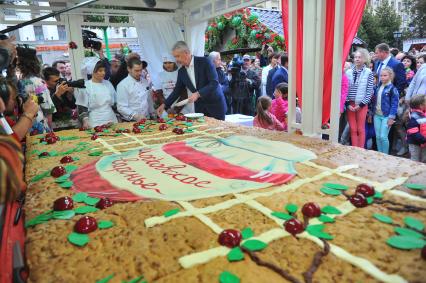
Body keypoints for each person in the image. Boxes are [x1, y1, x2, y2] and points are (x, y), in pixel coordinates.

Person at [157, 41, 227, 120]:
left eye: (177, 56)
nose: (176, 60)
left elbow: (214, 83)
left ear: (186, 53)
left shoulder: (205, 62)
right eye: (175, 57)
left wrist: (198, 94)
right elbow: (177, 91)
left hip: (215, 106)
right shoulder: (181, 72)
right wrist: (164, 105)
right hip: (199, 109)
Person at [17, 47, 56, 134]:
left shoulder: (18, 82)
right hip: (38, 124)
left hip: (21, 125)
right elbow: (48, 108)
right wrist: (50, 129)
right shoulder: (38, 82)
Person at [75, 60, 118, 128]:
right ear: (92, 72)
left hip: (111, 119)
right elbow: (81, 107)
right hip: (95, 122)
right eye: (100, 71)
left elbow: (115, 103)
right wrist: (85, 121)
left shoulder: (108, 84)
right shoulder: (85, 86)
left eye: (104, 70)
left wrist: (119, 116)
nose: (103, 73)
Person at [345, 48, 374, 148]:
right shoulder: (348, 72)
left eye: (360, 57)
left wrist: (361, 104)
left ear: (365, 59)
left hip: (362, 104)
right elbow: (345, 89)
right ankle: (354, 148)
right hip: (350, 104)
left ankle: (360, 149)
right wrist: (348, 104)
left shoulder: (368, 72)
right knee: (353, 128)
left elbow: (369, 91)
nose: (357, 59)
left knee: (360, 128)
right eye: (356, 57)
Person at [368, 67, 399, 154]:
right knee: (378, 136)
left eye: (385, 75)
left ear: (390, 76)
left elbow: (394, 105)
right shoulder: (377, 87)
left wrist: (391, 118)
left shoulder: (393, 89)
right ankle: (379, 154)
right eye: (381, 76)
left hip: (386, 116)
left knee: (383, 136)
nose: (382, 77)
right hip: (377, 115)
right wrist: (370, 114)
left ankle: (385, 155)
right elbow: (373, 102)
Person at [117, 57, 154, 121]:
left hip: (147, 118)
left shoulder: (145, 81)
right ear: (129, 69)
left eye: (141, 70)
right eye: (136, 71)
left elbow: (148, 100)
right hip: (132, 121)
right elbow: (121, 107)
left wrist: (152, 113)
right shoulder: (123, 85)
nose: (140, 73)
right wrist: (135, 116)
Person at [406, 94, 426, 162]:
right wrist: (424, 139)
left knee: (423, 159)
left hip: (423, 142)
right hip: (415, 143)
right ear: (421, 105)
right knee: (415, 160)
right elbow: (413, 132)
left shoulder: (423, 114)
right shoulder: (414, 117)